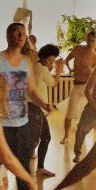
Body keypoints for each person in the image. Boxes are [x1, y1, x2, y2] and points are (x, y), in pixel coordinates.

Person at [0, 23, 52, 190]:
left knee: (23, 166)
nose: (20, 36)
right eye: (16, 32)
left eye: (23, 33)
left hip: (21, 123)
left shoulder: (26, 62)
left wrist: (43, 103)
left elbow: (31, 89)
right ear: (8, 35)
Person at [61, 31, 96, 144]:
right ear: (86, 39)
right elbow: (67, 60)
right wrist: (70, 70)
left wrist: (90, 72)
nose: (90, 42)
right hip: (77, 86)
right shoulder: (77, 48)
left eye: (93, 41)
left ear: (95, 41)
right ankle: (66, 136)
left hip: (88, 87)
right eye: (89, 40)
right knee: (70, 112)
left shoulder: (95, 56)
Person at [31, 44, 64, 177]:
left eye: (53, 61)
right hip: (37, 108)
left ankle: (37, 167)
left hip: (33, 106)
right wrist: (59, 69)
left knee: (37, 138)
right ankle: (39, 168)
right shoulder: (42, 69)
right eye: (50, 61)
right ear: (43, 57)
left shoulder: (34, 66)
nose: (51, 63)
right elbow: (53, 84)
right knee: (45, 137)